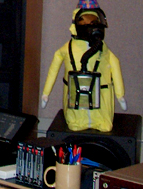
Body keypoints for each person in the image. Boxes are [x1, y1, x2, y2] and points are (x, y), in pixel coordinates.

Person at [41, 0, 126, 132]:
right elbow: (54, 68)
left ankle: (101, 122)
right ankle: (76, 121)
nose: (91, 26)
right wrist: (46, 93)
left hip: (101, 100)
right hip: (75, 102)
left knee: (104, 123)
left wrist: (120, 95)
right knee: (75, 121)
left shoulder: (103, 49)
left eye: (94, 21)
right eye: (85, 21)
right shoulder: (67, 48)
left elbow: (115, 65)